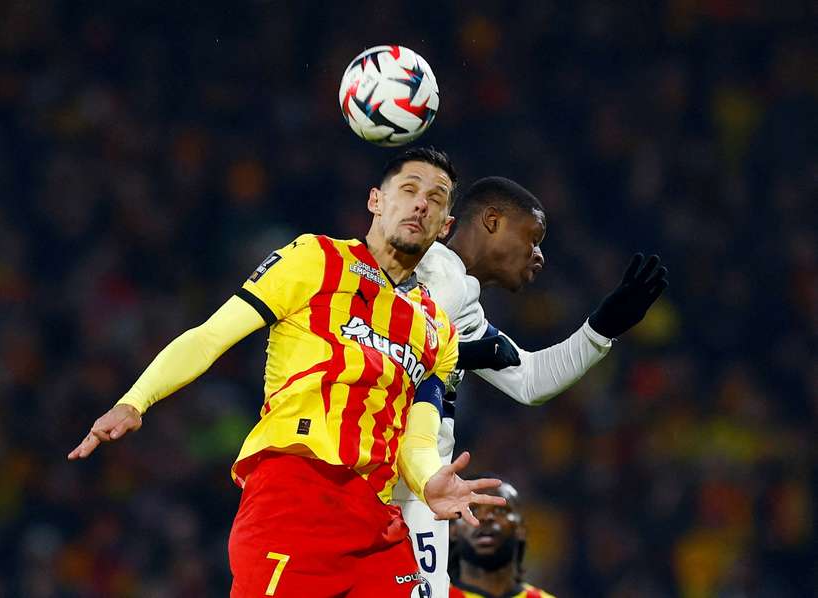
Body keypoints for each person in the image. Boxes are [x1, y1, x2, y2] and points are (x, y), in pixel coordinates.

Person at [67, 147, 508, 597]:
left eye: (435, 199)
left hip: (377, 523)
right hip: (294, 496)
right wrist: (135, 400)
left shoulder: (439, 331)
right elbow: (210, 336)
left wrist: (429, 481)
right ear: (376, 200)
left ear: (445, 226)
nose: (420, 205)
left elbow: (417, 439)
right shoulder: (315, 259)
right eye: (409, 189)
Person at [393, 176, 668, 595]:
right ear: (492, 220)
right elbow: (384, 350)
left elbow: (529, 380)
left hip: (418, 493)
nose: (539, 255)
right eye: (533, 238)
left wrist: (601, 328)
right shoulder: (425, 268)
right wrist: (460, 354)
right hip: (382, 481)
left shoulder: (463, 302)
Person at [448, 478, 554, 598]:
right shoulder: (437, 594)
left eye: (499, 510)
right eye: (472, 510)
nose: (485, 517)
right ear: (452, 530)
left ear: (521, 529)